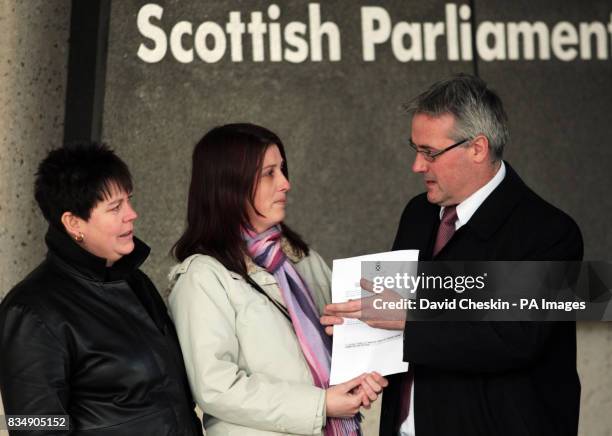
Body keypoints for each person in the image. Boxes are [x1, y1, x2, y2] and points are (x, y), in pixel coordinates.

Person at [322, 74, 583, 436]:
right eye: (415, 149)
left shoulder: (552, 232)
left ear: (477, 148)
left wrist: (408, 314)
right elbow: (397, 316)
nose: (417, 165)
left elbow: (515, 339)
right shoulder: (418, 213)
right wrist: (355, 327)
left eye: (429, 152)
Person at [168, 123, 387, 436]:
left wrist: (361, 376)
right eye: (269, 173)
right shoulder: (202, 277)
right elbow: (216, 387)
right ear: (230, 185)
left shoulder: (302, 259)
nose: (285, 183)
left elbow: (339, 343)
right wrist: (321, 405)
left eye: (282, 170)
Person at [0, 144, 203, 436]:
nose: (131, 214)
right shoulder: (32, 310)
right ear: (73, 223)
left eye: (128, 201)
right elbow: (33, 426)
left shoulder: (135, 282)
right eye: (115, 207)